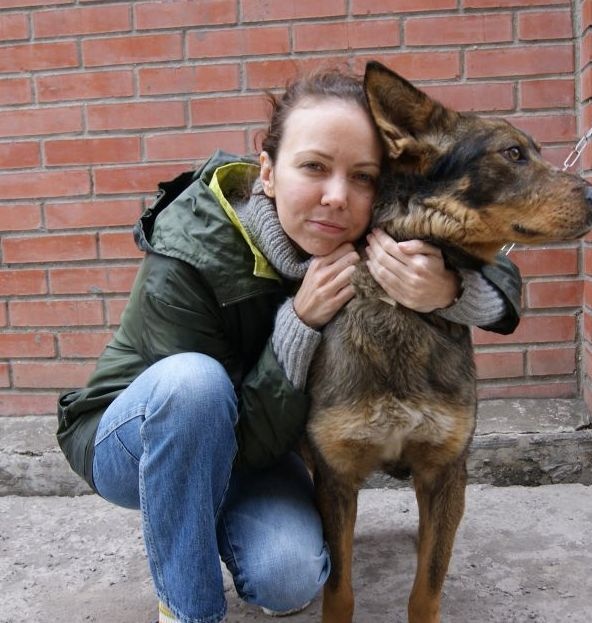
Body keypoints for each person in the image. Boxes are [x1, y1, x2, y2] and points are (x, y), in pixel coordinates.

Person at [56, 68, 522, 623]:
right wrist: (299, 323)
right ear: (268, 172)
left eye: (363, 176)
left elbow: (475, 241)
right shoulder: (188, 255)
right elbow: (208, 428)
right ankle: (186, 609)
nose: (336, 197)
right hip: (138, 438)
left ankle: (219, 521)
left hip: (259, 442)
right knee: (194, 383)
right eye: (314, 167)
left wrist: (448, 289)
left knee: (288, 575)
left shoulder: (362, 234)